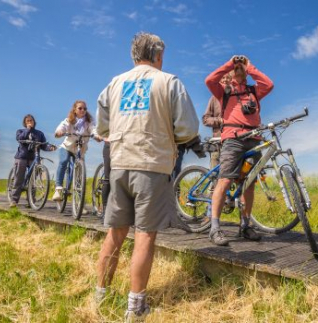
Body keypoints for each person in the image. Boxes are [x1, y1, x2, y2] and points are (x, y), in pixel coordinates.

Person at [94, 32, 199, 322]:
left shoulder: (115, 83)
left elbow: (102, 127)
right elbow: (188, 128)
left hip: (119, 163)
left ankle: (99, 295)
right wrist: (170, 138)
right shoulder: (169, 82)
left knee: (115, 233)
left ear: (133, 55)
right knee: (144, 236)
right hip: (152, 164)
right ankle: (135, 307)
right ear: (158, 56)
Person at [204, 55, 274, 246]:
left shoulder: (253, 90)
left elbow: (269, 84)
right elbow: (209, 80)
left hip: (253, 139)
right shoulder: (224, 91)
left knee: (248, 184)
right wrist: (230, 63)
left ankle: (245, 225)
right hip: (233, 139)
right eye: (237, 67)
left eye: (241, 66)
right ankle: (215, 228)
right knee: (225, 179)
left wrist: (250, 67)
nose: (239, 68)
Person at [52, 100, 98, 202]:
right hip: (67, 147)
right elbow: (63, 126)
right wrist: (59, 132)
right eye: (80, 108)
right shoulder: (69, 120)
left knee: (79, 172)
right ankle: (58, 189)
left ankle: (79, 203)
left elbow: (93, 129)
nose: (83, 110)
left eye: (85, 108)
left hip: (80, 150)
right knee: (63, 161)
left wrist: (96, 135)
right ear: (75, 110)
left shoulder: (89, 121)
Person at [9, 114, 55, 208]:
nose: (30, 122)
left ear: (34, 122)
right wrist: (28, 129)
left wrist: (49, 147)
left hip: (34, 157)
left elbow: (43, 145)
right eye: (28, 121)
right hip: (21, 156)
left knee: (33, 180)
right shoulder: (21, 131)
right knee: (19, 178)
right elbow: (20, 138)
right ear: (25, 123)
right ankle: (14, 200)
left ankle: (30, 200)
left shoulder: (39, 133)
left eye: (31, 120)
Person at [202, 71, 232, 168]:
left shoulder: (236, 98)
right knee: (215, 174)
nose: (225, 80)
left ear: (231, 80)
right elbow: (205, 119)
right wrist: (220, 120)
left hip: (233, 141)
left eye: (228, 78)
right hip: (218, 142)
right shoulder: (214, 98)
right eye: (222, 78)